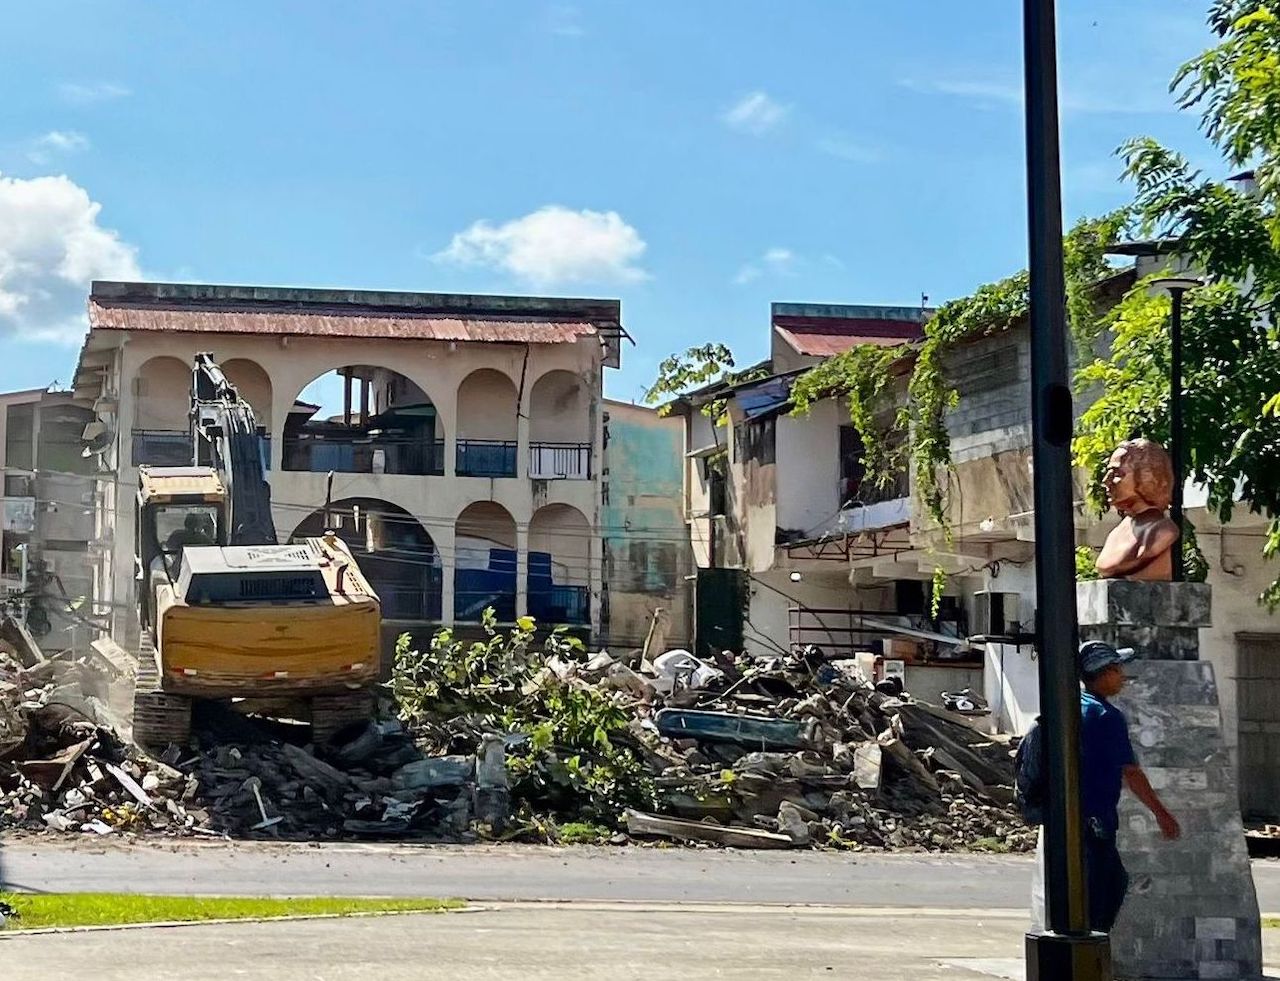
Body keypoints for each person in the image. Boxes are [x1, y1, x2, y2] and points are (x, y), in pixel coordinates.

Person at [1078, 639, 1181, 931]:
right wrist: (1162, 814)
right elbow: (1131, 773)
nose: (1122, 676)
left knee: (1090, 890)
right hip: (1096, 821)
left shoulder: (1075, 707)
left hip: (1071, 821)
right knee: (1106, 891)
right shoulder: (1107, 717)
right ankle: (1091, 949)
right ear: (1103, 672)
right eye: (1117, 669)